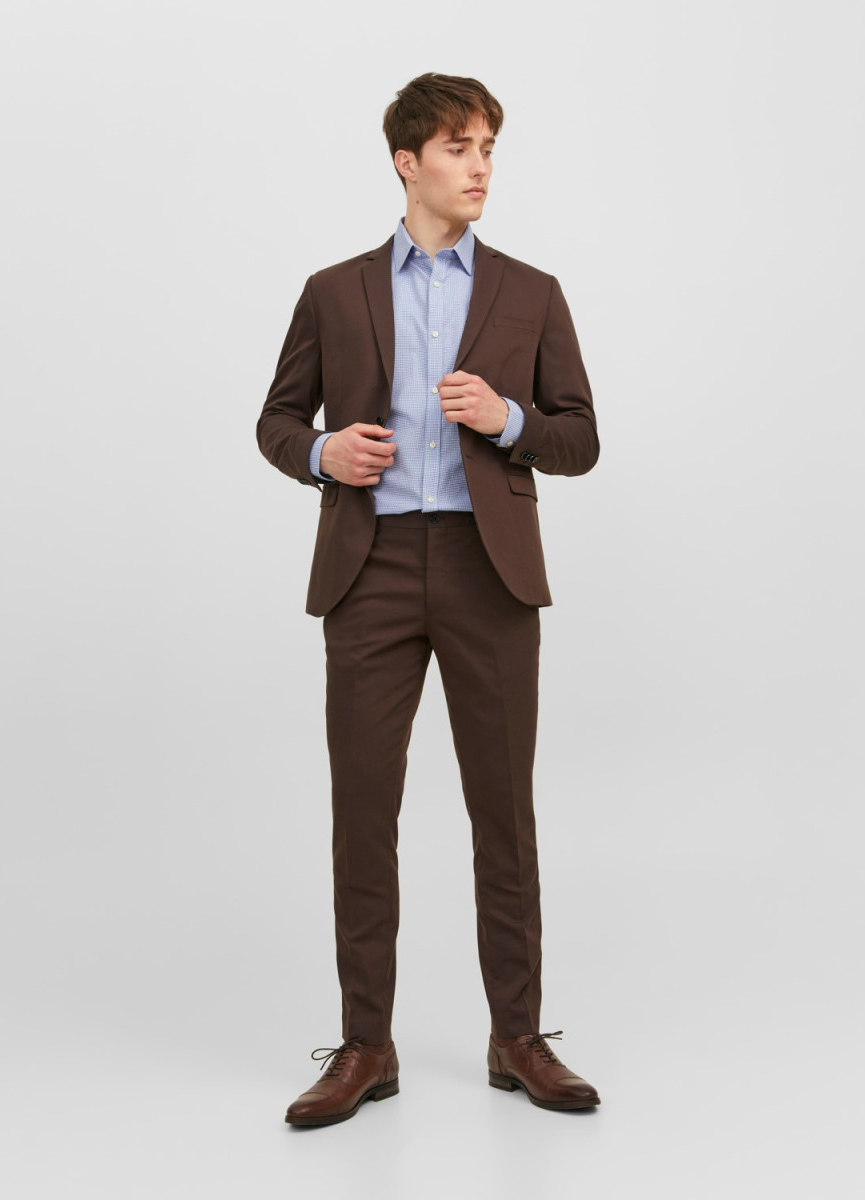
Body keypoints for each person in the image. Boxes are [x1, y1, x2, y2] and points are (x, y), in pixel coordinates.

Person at [257, 73, 601, 1126]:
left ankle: (517, 1038)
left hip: (487, 571)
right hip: (366, 570)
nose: (481, 165)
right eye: (460, 147)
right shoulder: (334, 290)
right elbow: (276, 421)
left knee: (504, 812)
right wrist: (323, 452)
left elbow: (580, 437)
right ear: (406, 162)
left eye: (489, 146)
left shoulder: (532, 292)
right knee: (364, 814)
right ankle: (367, 1046)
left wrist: (507, 419)